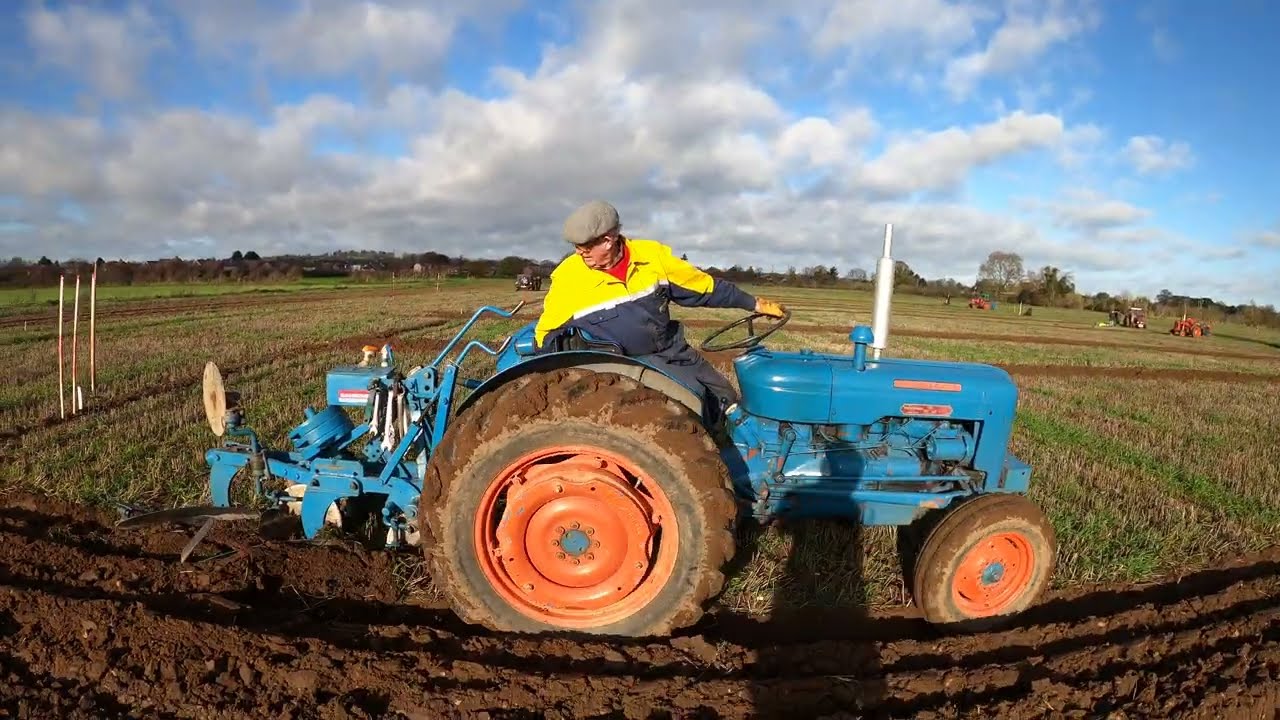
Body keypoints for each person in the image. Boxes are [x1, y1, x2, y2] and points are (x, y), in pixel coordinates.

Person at [533, 200, 786, 421]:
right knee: (690, 407)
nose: (580, 254)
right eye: (577, 248)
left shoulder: (652, 258)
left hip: (669, 349)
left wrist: (755, 304)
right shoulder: (569, 276)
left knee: (723, 397)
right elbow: (547, 333)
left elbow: (704, 287)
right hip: (622, 362)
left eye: (586, 247)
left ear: (608, 240)